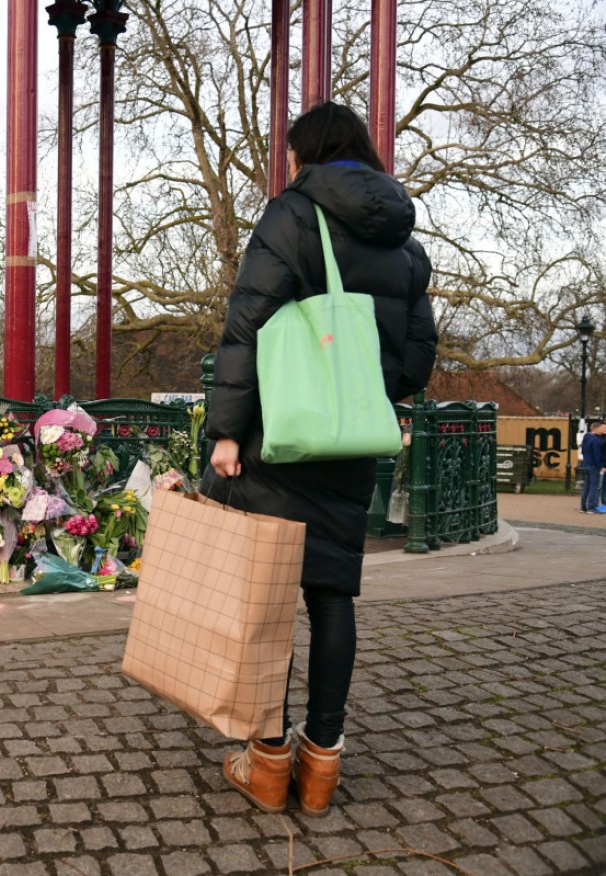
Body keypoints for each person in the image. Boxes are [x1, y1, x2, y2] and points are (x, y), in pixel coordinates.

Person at [200, 102, 437, 817]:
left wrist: (225, 432)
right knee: (331, 594)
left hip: (281, 433)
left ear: (304, 154)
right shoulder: (402, 239)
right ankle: (322, 762)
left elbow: (247, 325)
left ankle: (267, 760)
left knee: (267, 600)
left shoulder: (289, 215)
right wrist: (363, 396)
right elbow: (416, 352)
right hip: (349, 439)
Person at [582, 421, 605, 513]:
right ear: (595, 428)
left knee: (587, 486)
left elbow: (583, 451)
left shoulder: (586, 437)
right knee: (594, 487)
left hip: (587, 464)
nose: (602, 430)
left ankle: (583, 506)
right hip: (594, 466)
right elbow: (597, 454)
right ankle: (592, 507)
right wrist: (601, 466)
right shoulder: (596, 440)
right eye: (601, 429)